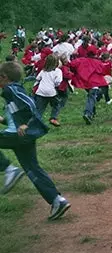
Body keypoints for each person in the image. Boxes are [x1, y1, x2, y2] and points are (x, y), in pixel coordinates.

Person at [0, 62, 71, 219]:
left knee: (31, 168)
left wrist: (26, 124)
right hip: (24, 136)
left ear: (4, 77)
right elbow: (16, 116)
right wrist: (3, 120)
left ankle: (9, 169)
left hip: (19, 135)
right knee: (33, 169)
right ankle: (57, 200)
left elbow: (30, 105)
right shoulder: (14, 90)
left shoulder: (10, 89)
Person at [34, 54, 62, 126]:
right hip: (51, 92)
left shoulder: (43, 71)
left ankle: (35, 122)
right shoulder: (58, 71)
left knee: (39, 109)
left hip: (40, 91)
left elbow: (37, 78)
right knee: (56, 105)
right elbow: (58, 82)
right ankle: (53, 118)